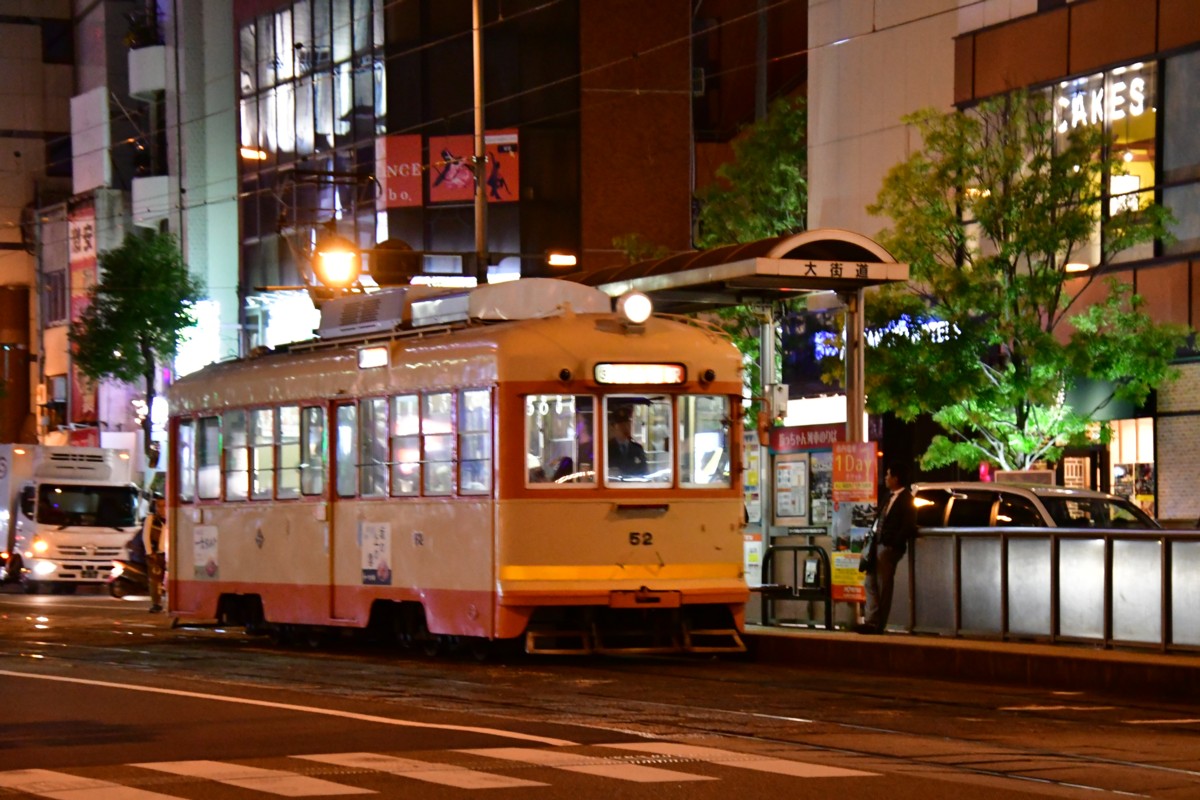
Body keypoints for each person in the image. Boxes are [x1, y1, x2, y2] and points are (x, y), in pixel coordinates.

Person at [856, 462, 917, 635]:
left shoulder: (906, 499)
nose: (886, 478)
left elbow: (908, 526)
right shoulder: (887, 497)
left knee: (883, 585)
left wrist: (894, 544)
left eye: (888, 475)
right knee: (870, 582)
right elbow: (878, 519)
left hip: (888, 547)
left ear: (896, 478)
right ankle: (870, 620)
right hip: (876, 544)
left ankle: (878, 625)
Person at [607, 405, 648, 477]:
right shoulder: (607, 449)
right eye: (621, 425)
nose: (626, 428)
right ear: (613, 427)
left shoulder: (637, 449)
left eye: (628, 424)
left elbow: (644, 471)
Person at [142, 496, 167, 613]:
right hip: (156, 554)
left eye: (164, 505)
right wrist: (150, 552)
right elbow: (146, 536)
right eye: (159, 506)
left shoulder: (173, 518)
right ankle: (156, 604)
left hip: (170, 555)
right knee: (155, 580)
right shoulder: (151, 519)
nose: (161, 509)